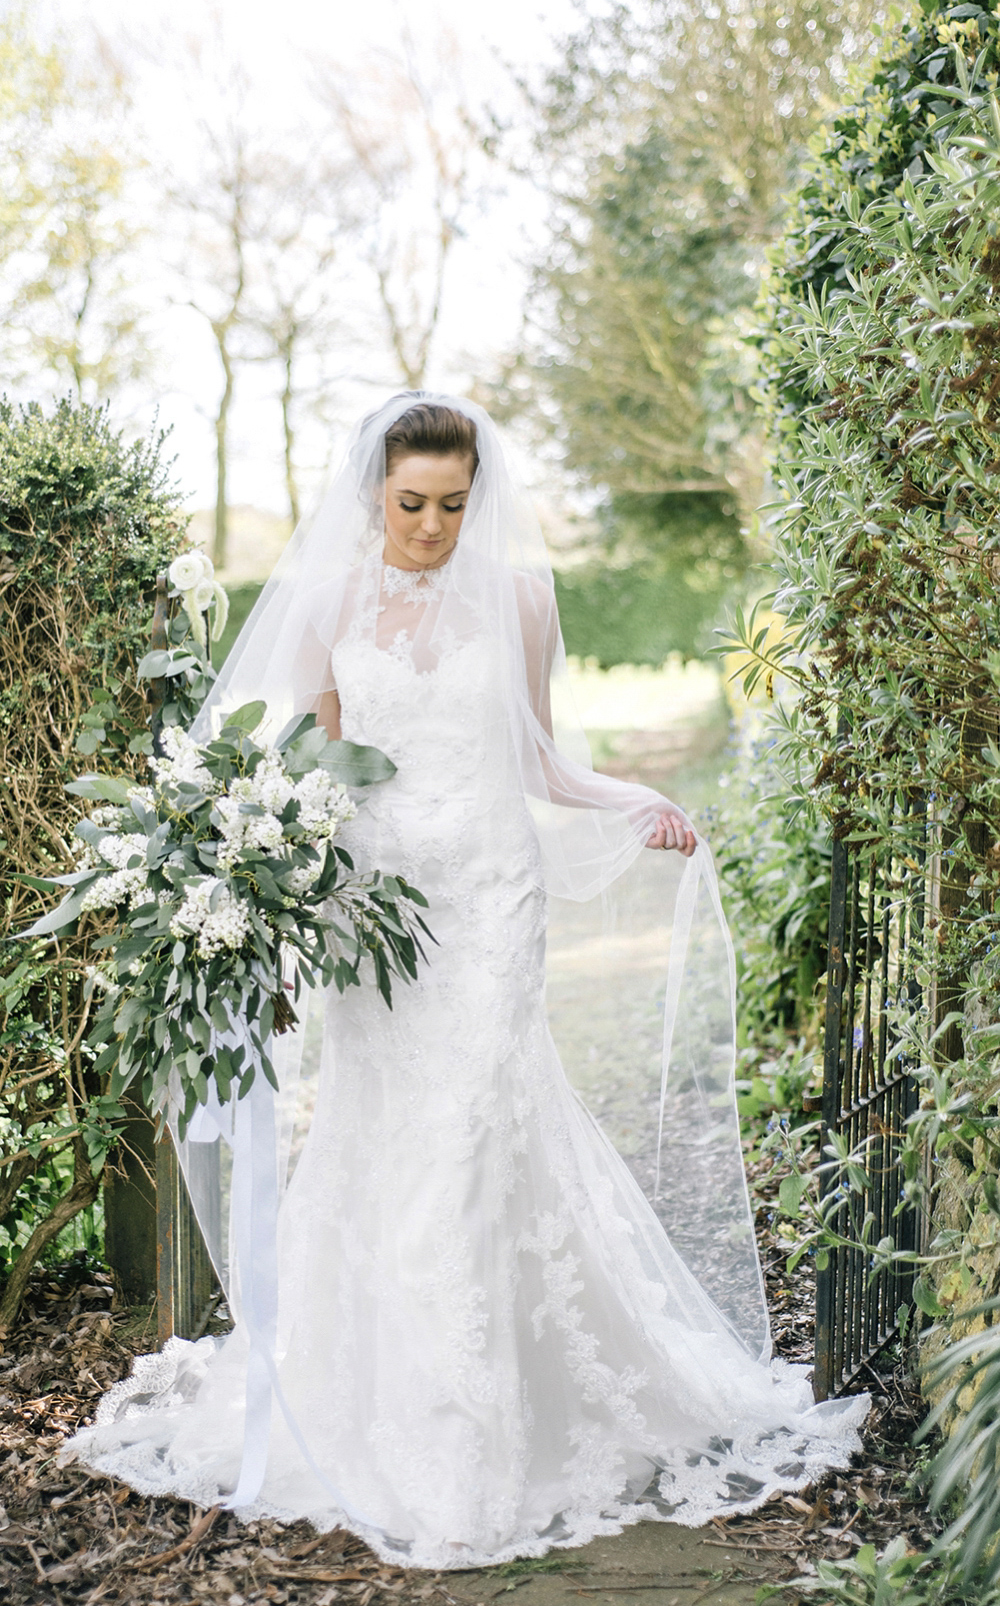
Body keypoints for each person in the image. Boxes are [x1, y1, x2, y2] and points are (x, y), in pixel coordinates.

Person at [62, 392, 868, 1569]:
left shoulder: (524, 599)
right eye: (411, 505)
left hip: (492, 899)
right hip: (380, 922)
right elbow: (309, 767)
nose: (433, 527)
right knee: (384, 1139)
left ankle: (473, 1439)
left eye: (452, 503)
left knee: (476, 1132)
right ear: (372, 494)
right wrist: (266, 871)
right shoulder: (329, 602)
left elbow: (541, 757)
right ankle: (386, 1411)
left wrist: (634, 803)